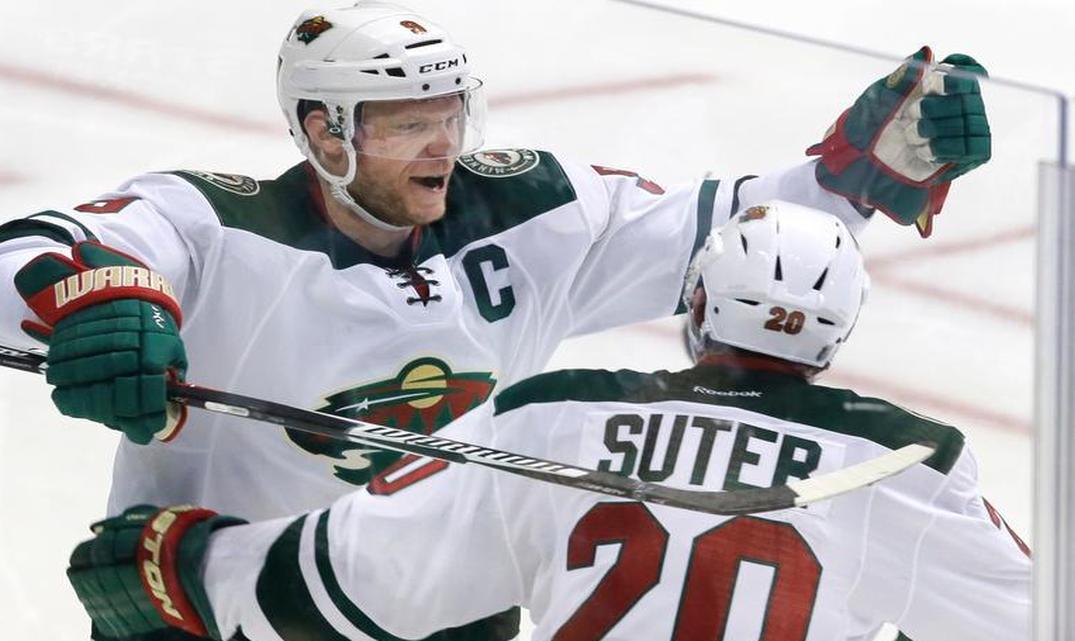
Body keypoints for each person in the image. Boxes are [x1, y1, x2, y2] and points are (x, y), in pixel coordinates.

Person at [0, 0, 989, 638]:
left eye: (449, 113)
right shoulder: (214, 222)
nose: (440, 147)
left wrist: (867, 168)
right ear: (320, 131)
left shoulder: (533, 212)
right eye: (402, 124)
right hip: (212, 596)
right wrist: (102, 302)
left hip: (432, 606)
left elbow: (741, 236)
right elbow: (42, 249)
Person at [66, 201, 1075, 641]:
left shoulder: (556, 414)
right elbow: (1070, 627)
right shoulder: (906, 461)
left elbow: (358, 578)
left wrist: (187, 562)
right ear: (839, 331)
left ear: (697, 302)